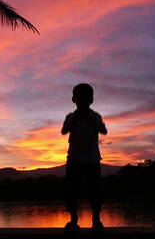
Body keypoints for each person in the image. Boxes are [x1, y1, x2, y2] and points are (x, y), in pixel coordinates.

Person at [61, 83, 107, 233]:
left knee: (96, 191)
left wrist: (88, 119)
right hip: (74, 158)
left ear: (91, 100)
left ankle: (96, 220)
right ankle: (73, 221)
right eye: (80, 97)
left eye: (86, 97)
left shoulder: (95, 116)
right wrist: (76, 119)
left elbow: (103, 130)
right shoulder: (70, 117)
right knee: (72, 191)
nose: (83, 100)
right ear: (74, 99)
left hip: (93, 159)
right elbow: (64, 131)